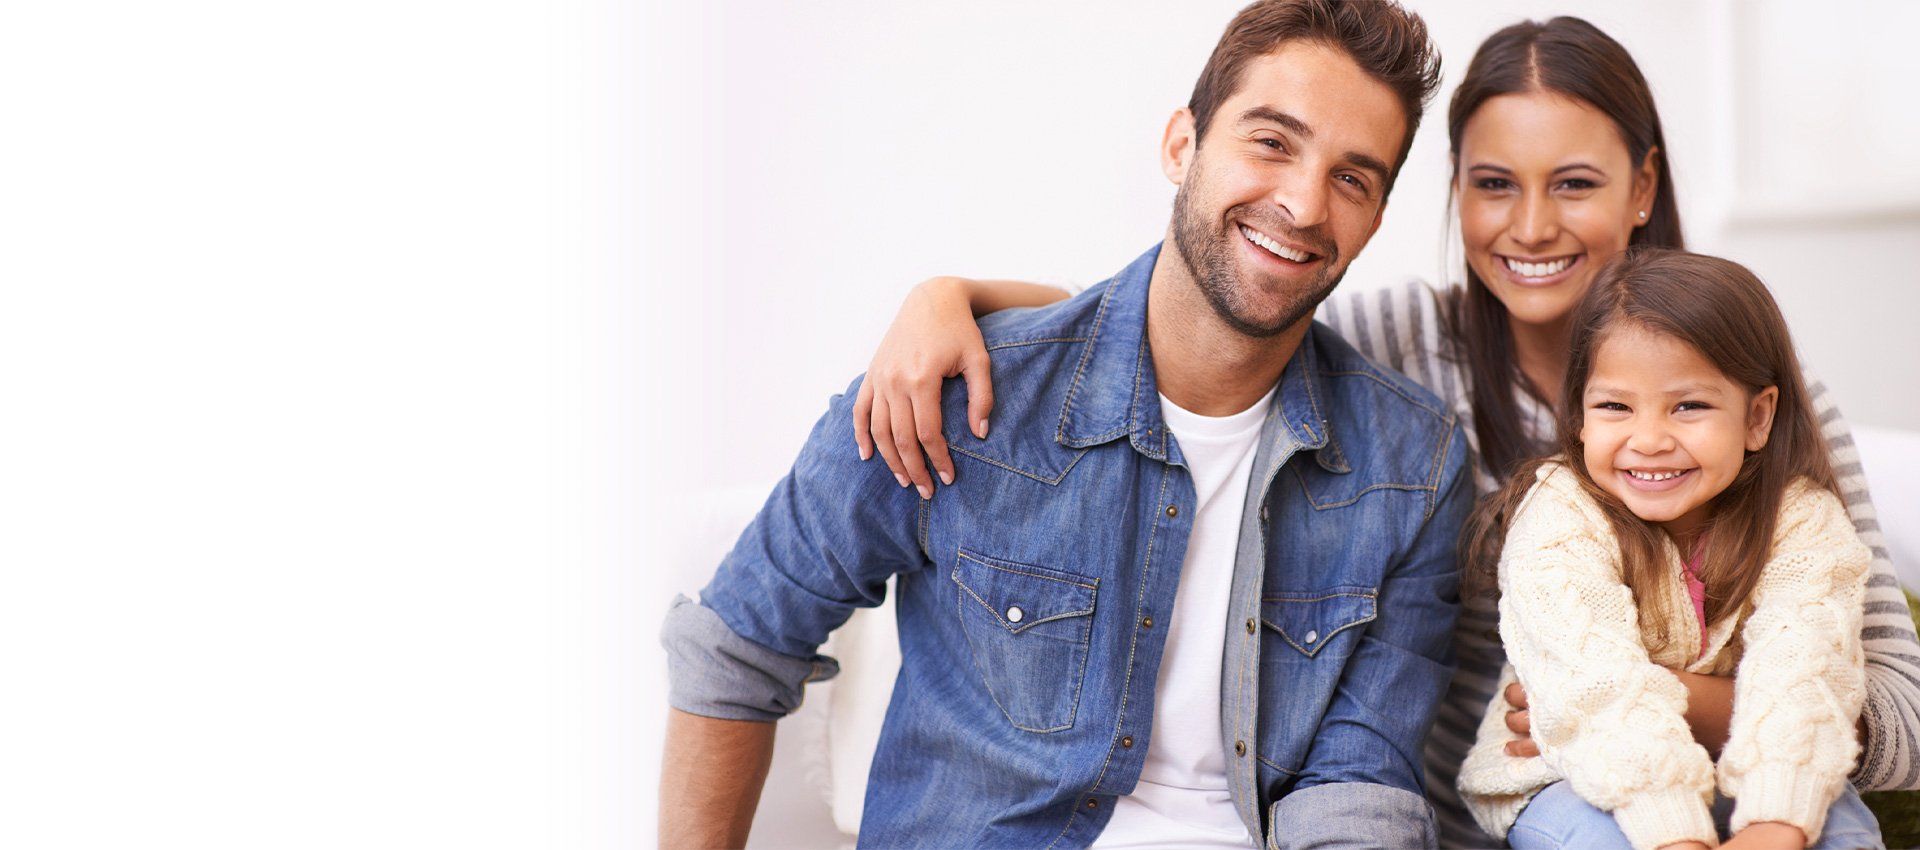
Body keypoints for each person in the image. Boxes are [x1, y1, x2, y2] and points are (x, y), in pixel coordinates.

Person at [850, 16, 1920, 848]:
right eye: (1493, 186)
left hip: (1757, 803)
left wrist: (1650, 700)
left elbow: (1903, 720)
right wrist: (956, 294)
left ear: (1642, 189)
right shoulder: (1395, 346)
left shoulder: (1755, 401)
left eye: (1577, 185)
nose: (1532, 226)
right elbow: (1182, 325)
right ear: (1454, 197)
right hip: (1493, 822)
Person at [659, 1, 1472, 847]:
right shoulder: (956, 395)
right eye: (1271, 141)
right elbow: (737, 647)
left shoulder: (1414, 464)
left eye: (1352, 177)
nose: (1305, 204)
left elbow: (1358, 782)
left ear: (1376, 217)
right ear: (1181, 145)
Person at [1454, 248, 1884, 850]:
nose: (1649, 439)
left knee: (1843, 833)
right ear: (1579, 416)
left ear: (1757, 417)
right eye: (1614, 407)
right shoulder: (1559, 511)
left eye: (1689, 406)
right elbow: (1598, 689)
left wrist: (1776, 821)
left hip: (1749, 767)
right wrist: (1673, 835)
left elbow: (1805, 671)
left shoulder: (1802, 517)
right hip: (1568, 776)